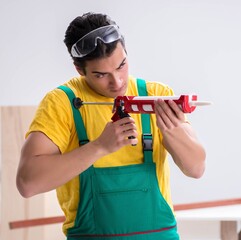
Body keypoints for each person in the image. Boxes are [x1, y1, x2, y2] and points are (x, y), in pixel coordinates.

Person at [16, 12, 206, 240]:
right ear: (79, 70)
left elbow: (196, 169)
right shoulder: (63, 103)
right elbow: (27, 183)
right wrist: (99, 147)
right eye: (100, 74)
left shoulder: (156, 96)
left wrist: (173, 133)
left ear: (126, 52)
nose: (117, 82)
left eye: (121, 65)